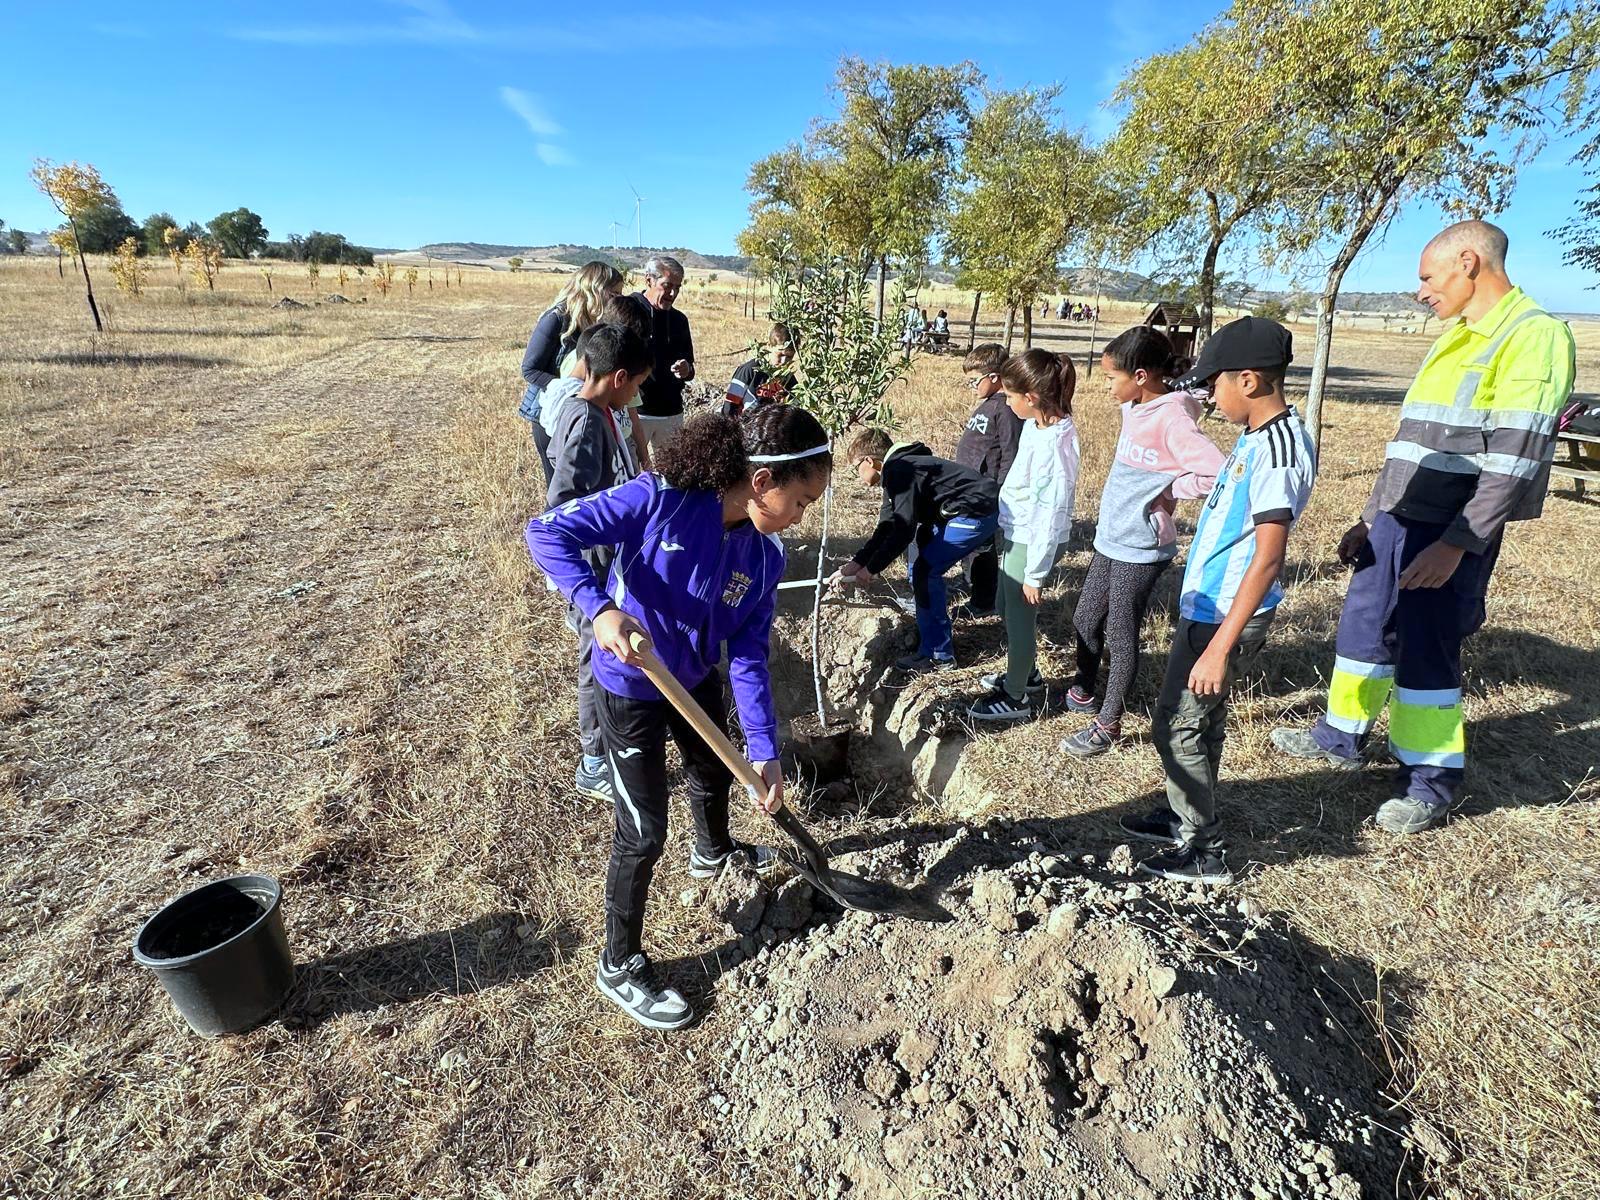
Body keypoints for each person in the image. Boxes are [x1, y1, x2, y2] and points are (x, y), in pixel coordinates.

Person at [526, 405, 833, 1030]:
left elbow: (747, 655)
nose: (802, 518)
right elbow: (545, 533)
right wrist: (599, 609)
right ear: (763, 482)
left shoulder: (765, 558)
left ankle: (713, 853)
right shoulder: (660, 499)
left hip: (691, 677)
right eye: (801, 501)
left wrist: (764, 749)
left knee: (714, 772)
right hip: (630, 686)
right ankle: (618, 963)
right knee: (643, 831)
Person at [1270, 220, 1576, 834]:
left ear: (1468, 262)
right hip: (1398, 518)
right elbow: (1410, 445)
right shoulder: (1457, 333)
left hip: (1449, 528)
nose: (1420, 292)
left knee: (1428, 645)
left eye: (1427, 277)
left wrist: (1457, 544)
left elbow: (1513, 460)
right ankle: (1339, 736)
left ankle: (1429, 780)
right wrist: (1371, 517)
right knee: (1364, 626)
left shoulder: (1534, 335)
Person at [1119, 317, 1316, 884]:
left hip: (1226, 616)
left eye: (1215, 384)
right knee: (1194, 723)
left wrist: (1219, 648)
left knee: (1179, 727)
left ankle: (1203, 849)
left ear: (1248, 381)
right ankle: (1183, 814)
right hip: (1209, 608)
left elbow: (1269, 558)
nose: (1208, 395)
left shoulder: (1279, 450)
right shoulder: (1256, 436)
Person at [1061, 328, 1225, 758]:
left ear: (1139, 376)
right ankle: (1084, 689)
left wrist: (1170, 490)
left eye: (1110, 378)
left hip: (1141, 547)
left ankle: (1108, 724)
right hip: (1111, 538)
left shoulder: (1172, 419)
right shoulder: (1134, 407)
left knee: (1120, 633)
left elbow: (1216, 472)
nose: (1107, 387)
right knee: (1085, 616)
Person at [544, 324, 655, 802]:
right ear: (619, 378)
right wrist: (588, 579)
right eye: (638, 385)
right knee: (595, 659)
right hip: (595, 571)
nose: (637, 395)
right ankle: (593, 762)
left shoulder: (596, 411)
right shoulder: (587, 422)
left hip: (608, 564)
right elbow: (564, 505)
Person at [967, 349, 1081, 722]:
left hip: (1034, 540)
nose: (1006, 402)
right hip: (1020, 533)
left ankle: (1016, 696)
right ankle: (1026, 673)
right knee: (1004, 604)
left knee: (1018, 618)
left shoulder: (1056, 447)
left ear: (1030, 398)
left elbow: (1049, 513)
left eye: (1010, 396)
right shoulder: (1037, 426)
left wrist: (1035, 573)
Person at [829, 428, 1000, 673]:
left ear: (870, 461)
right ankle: (928, 628)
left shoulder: (900, 470)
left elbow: (903, 531)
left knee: (925, 571)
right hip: (961, 511)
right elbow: (886, 528)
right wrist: (854, 565)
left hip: (977, 511)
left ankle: (939, 655)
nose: (857, 476)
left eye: (856, 468)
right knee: (919, 565)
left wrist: (871, 569)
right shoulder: (897, 470)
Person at [518, 261, 624, 484]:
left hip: (583, 410)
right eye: (613, 294)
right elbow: (529, 369)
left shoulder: (597, 322)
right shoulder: (556, 318)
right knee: (559, 484)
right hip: (550, 412)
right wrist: (568, 388)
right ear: (595, 289)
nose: (617, 299)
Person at [541, 293, 655, 475]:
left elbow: (632, 416)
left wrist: (644, 460)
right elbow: (567, 483)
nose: (636, 393)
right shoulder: (585, 418)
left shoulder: (604, 403)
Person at [953, 342, 1022, 620]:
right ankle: (970, 582)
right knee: (969, 540)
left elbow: (1010, 452)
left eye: (974, 381)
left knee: (981, 543)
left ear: (994, 377)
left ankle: (983, 600)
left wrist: (999, 490)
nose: (972, 387)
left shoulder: (1006, 409)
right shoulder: (989, 405)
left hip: (987, 489)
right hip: (970, 487)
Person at [632, 255, 696, 457]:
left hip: (671, 412)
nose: (673, 293)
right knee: (632, 471)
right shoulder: (630, 310)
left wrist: (686, 369)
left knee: (672, 470)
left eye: (678, 287)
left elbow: (690, 369)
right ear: (648, 280)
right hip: (636, 412)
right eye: (667, 286)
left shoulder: (679, 320)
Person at [721, 323, 795, 418]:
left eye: (789, 356)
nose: (784, 361)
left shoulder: (789, 379)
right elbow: (729, 407)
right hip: (743, 424)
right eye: (780, 355)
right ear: (769, 346)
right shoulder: (749, 371)